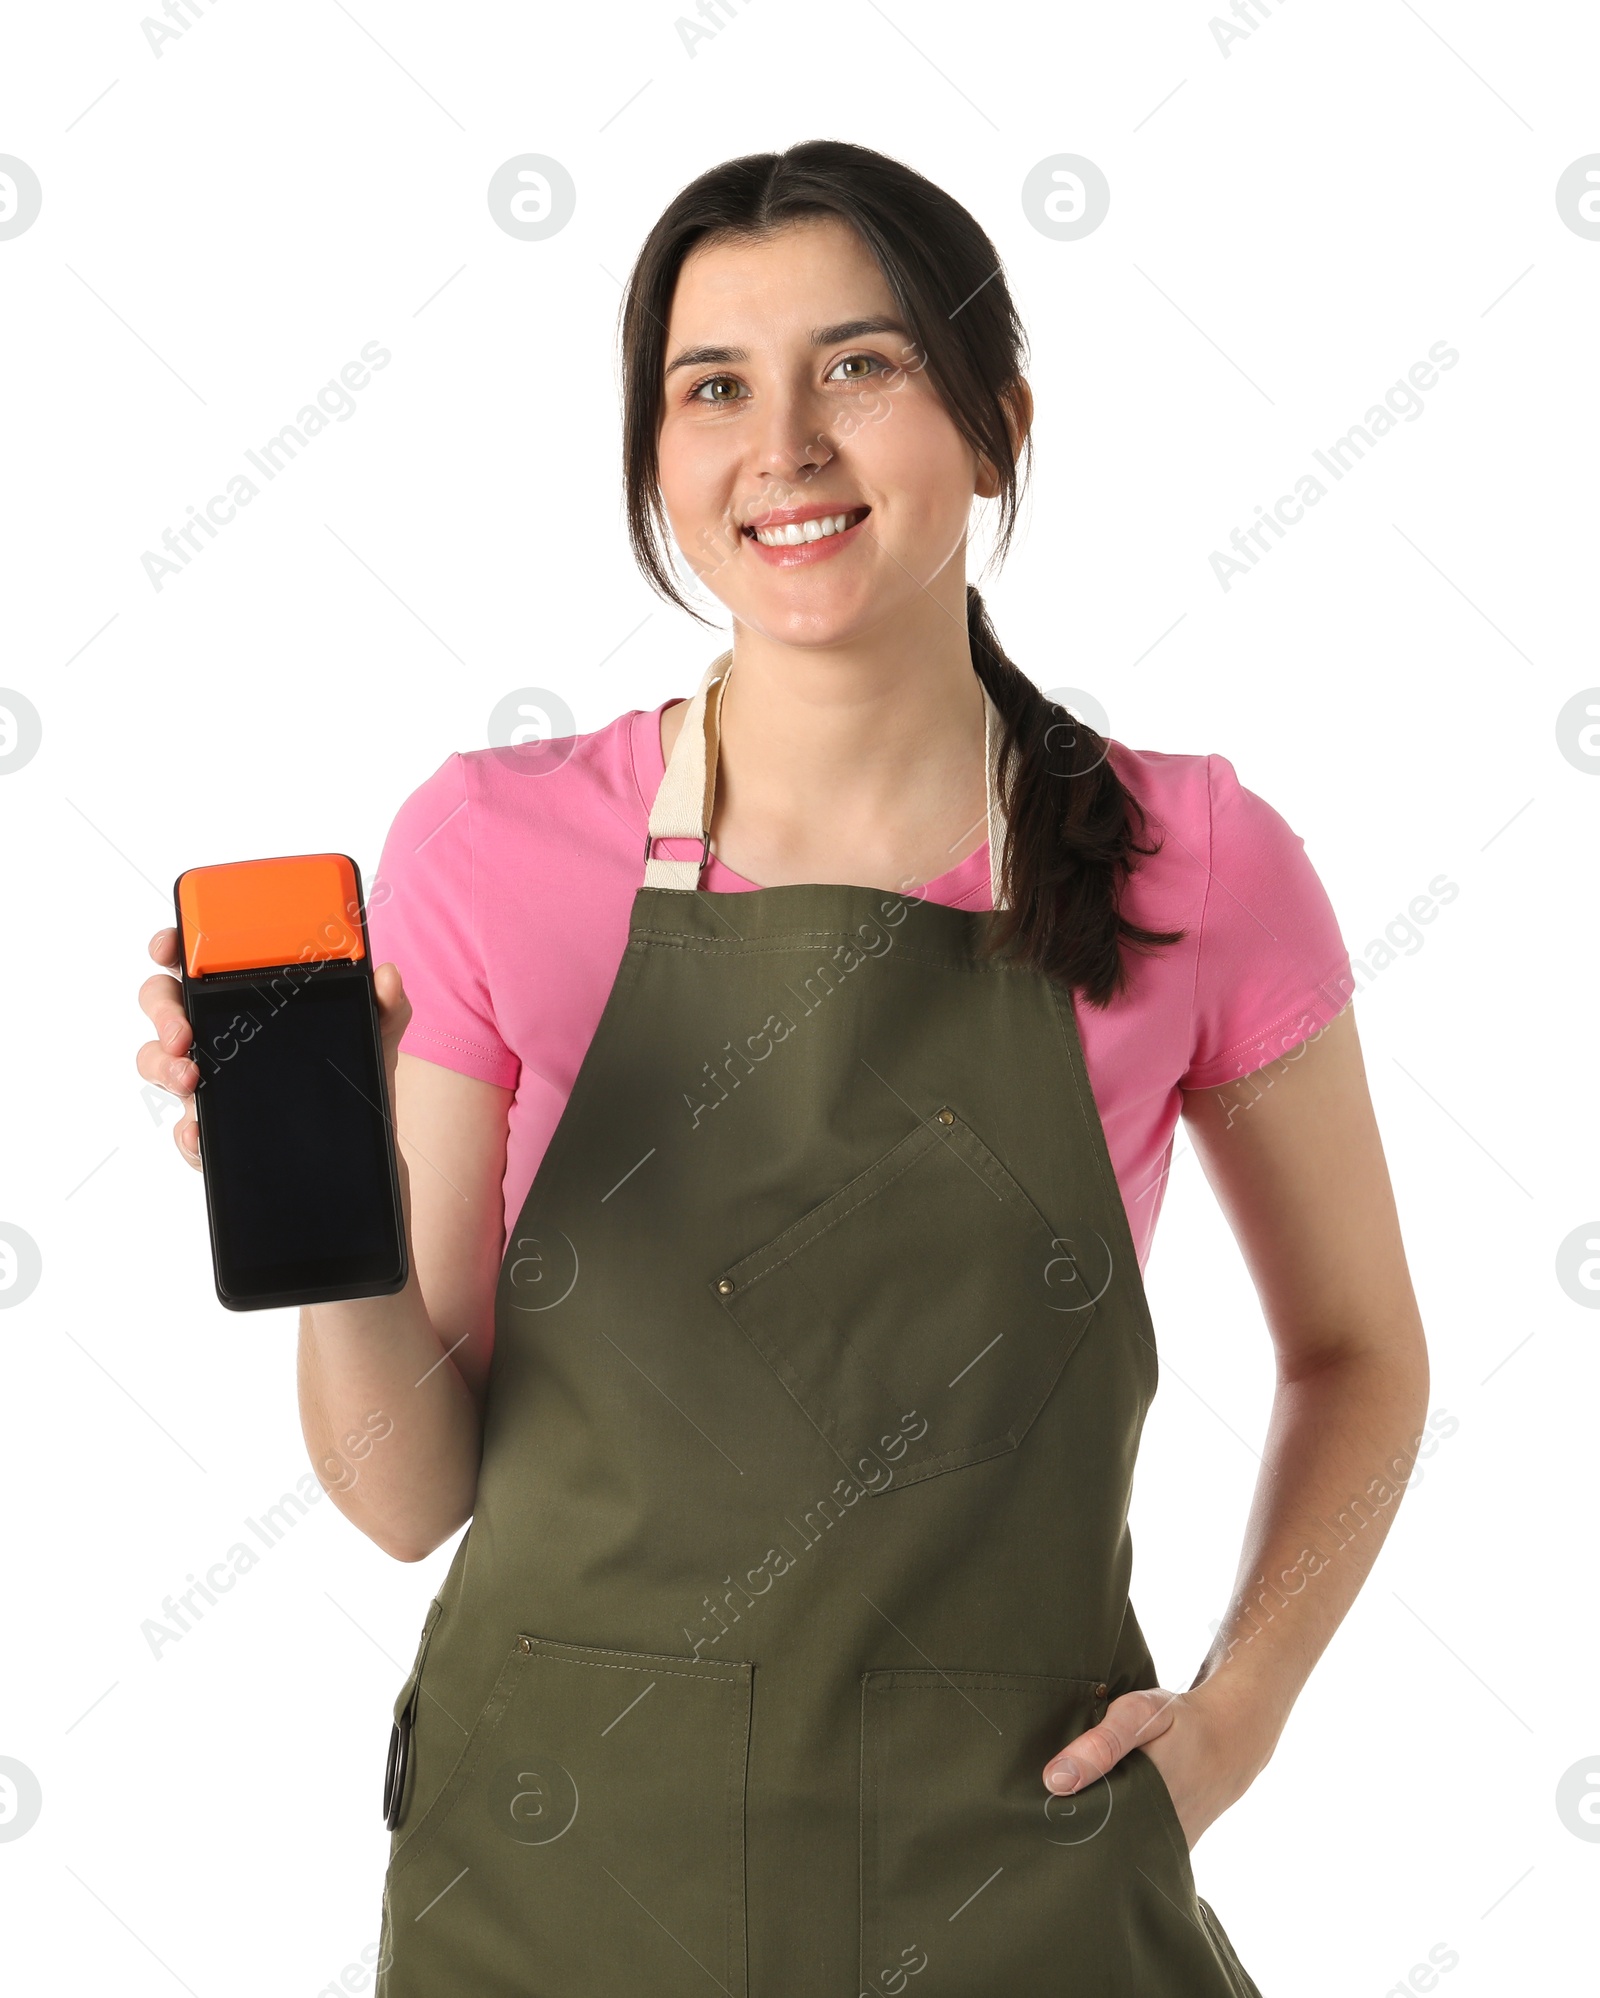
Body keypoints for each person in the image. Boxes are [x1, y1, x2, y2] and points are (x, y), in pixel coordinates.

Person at [137, 140, 1430, 1996]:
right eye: (713, 387)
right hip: (554, 1899)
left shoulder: (1195, 865)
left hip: (1017, 1898)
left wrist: (1239, 1715)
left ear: (995, 425)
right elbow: (411, 1492)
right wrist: (314, 1208)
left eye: (863, 366)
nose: (786, 445)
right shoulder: (492, 850)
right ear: (656, 464)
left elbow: (1365, 1355)